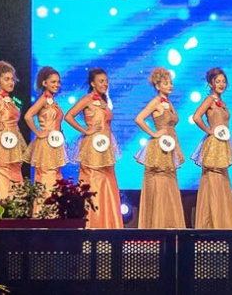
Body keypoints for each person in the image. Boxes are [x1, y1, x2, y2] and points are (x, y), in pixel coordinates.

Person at [66, 68, 123, 228]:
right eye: (101, 81)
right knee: (93, 182)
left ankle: (109, 223)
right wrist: (85, 130)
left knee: (108, 182)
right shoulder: (87, 99)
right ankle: (93, 223)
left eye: (106, 81)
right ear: (92, 83)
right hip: (92, 147)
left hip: (105, 148)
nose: (105, 84)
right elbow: (69, 116)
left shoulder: (104, 102)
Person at [133, 67, 187, 228]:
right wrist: (154, 133)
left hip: (170, 146)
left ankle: (170, 224)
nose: (170, 85)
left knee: (169, 184)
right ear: (157, 86)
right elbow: (139, 118)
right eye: (166, 83)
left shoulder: (168, 103)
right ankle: (157, 224)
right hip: (159, 147)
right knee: (160, 183)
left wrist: (177, 149)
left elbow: (172, 128)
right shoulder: (156, 102)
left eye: (170, 83)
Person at [190, 67, 232, 229]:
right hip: (214, 144)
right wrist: (209, 131)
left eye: (223, 81)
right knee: (213, 179)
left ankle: (222, 221)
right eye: (218, 81)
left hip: (223, 143)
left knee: (222, 180)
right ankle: (212, 222)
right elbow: (196, 117)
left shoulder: (222, 102)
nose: (221, 84)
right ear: (211, 84)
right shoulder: (210, 100)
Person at [24, 66, 69, 212]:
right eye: (53, 82)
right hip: (46, 143)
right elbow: (28, 116)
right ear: (44, 83)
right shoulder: (43, 99)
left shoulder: (52, 100)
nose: (57, 84)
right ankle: (44, 213)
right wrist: (38, 133)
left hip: (55, 143)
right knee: (47, 177)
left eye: (58, 82)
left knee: (55, 176)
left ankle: (55, 213)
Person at [0, 61, 29, 198]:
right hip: (1, 138)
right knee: (0, 169)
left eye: (12, 79)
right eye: (6, 79)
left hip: (12, 138)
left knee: (13, 170)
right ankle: (0, 200)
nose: (11, 82)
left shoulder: (10, 99)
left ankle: (14, 200)